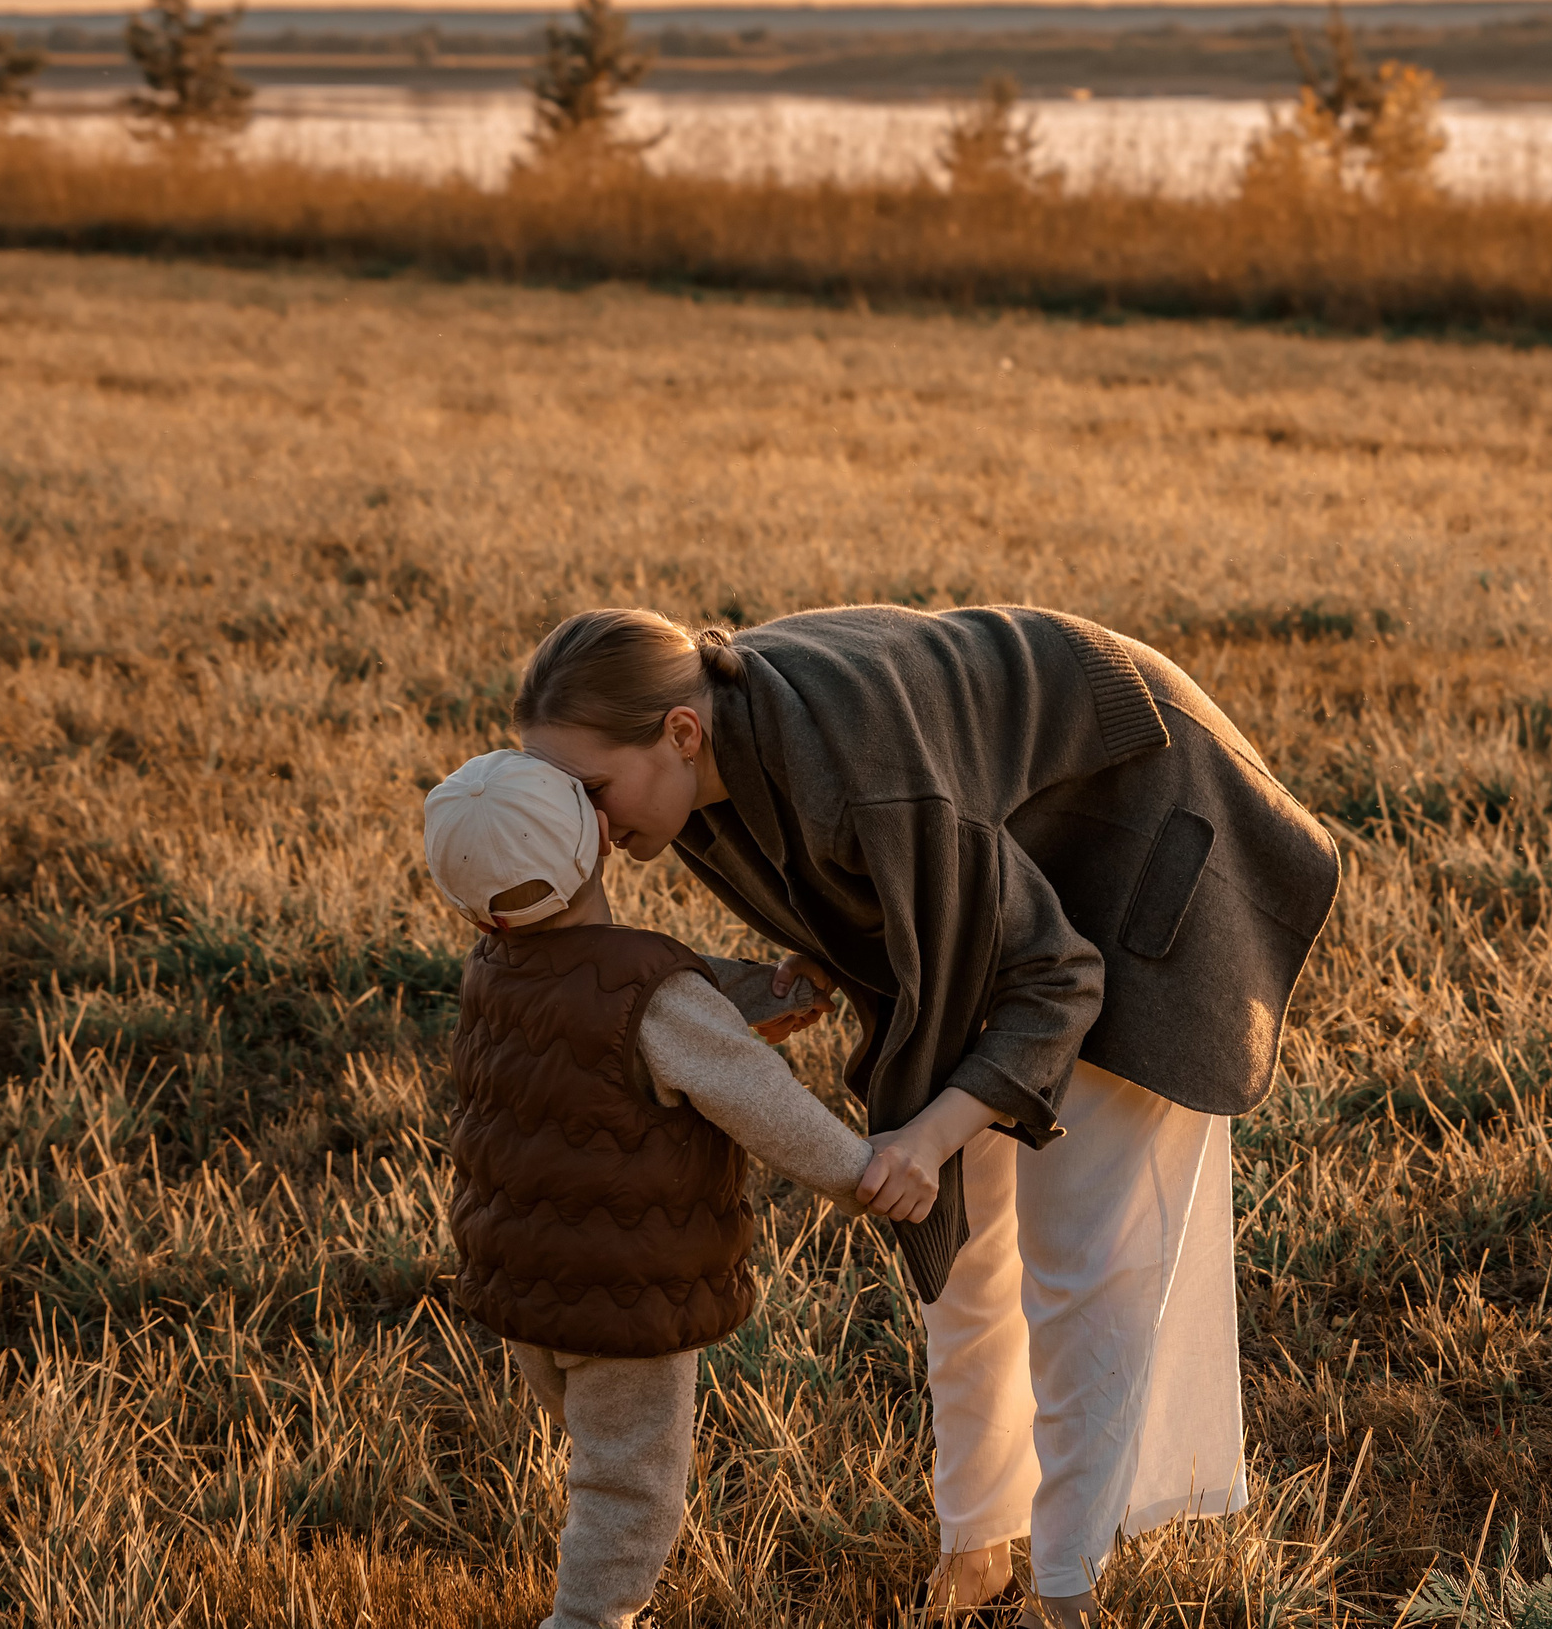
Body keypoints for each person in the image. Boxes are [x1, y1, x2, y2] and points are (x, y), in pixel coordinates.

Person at [514, 605, 1340, 1627]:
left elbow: (1055, 976)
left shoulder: (867, 780)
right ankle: (977, 1547)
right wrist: (831, 960)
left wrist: (929, 1134)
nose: (585, 823)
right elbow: (884, 893)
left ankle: (1069, 1585)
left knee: (1084, 1254)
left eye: (590, 790)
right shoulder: (685, 785)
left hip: (1137, 816)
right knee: (963, 1251)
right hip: (1001, 848)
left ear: (680, 732)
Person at [422, 749, 964, 1629]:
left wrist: (756, 989)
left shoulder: (498, 965)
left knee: (597, 1450)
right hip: (629, 1289)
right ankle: (589, 1620)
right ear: (599, 835)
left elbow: (647, 1000)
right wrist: (860, 1172)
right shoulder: (659, 997)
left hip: (520, 1279)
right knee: (630, 1489)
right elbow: (756, 1096)